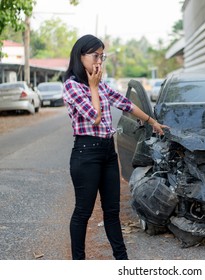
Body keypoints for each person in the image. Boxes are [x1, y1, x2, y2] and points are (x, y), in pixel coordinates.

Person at [62, 34, 168, 260]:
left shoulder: (101, 85)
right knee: (83, 212)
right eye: (94, 56)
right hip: (86, 154)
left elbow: (125, 103)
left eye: (102, 56)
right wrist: (92, 86)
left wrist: (152, 122)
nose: (99, 61)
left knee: (112, 212)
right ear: (80, 56)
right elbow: (95, 117)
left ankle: (123, 262)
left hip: (108, 153)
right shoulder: (72, 86)